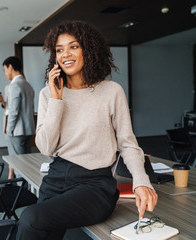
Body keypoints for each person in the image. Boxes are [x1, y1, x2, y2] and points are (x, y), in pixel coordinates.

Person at [16, 20, 158, 240]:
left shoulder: (111, 92)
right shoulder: (48, 94)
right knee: (40, 230)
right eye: (59, 50)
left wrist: (141, 181)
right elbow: (45, 147)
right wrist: (56, 100)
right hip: (56, 178)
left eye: (73, 46)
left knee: (30, 219)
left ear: (89, 50)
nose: (65, 54)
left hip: (95, 185)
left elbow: (127, 143)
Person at [2, 56, 36, 179]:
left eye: (5, 69)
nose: (5, 73)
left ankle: (21, 194)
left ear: (10, 67)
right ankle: (28, 191)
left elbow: (13, 111)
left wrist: (9, 131)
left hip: (17, 131)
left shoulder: (15, 85)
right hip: (28, 130)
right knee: (27, 163)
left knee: (19, 166)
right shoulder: (28, 85)